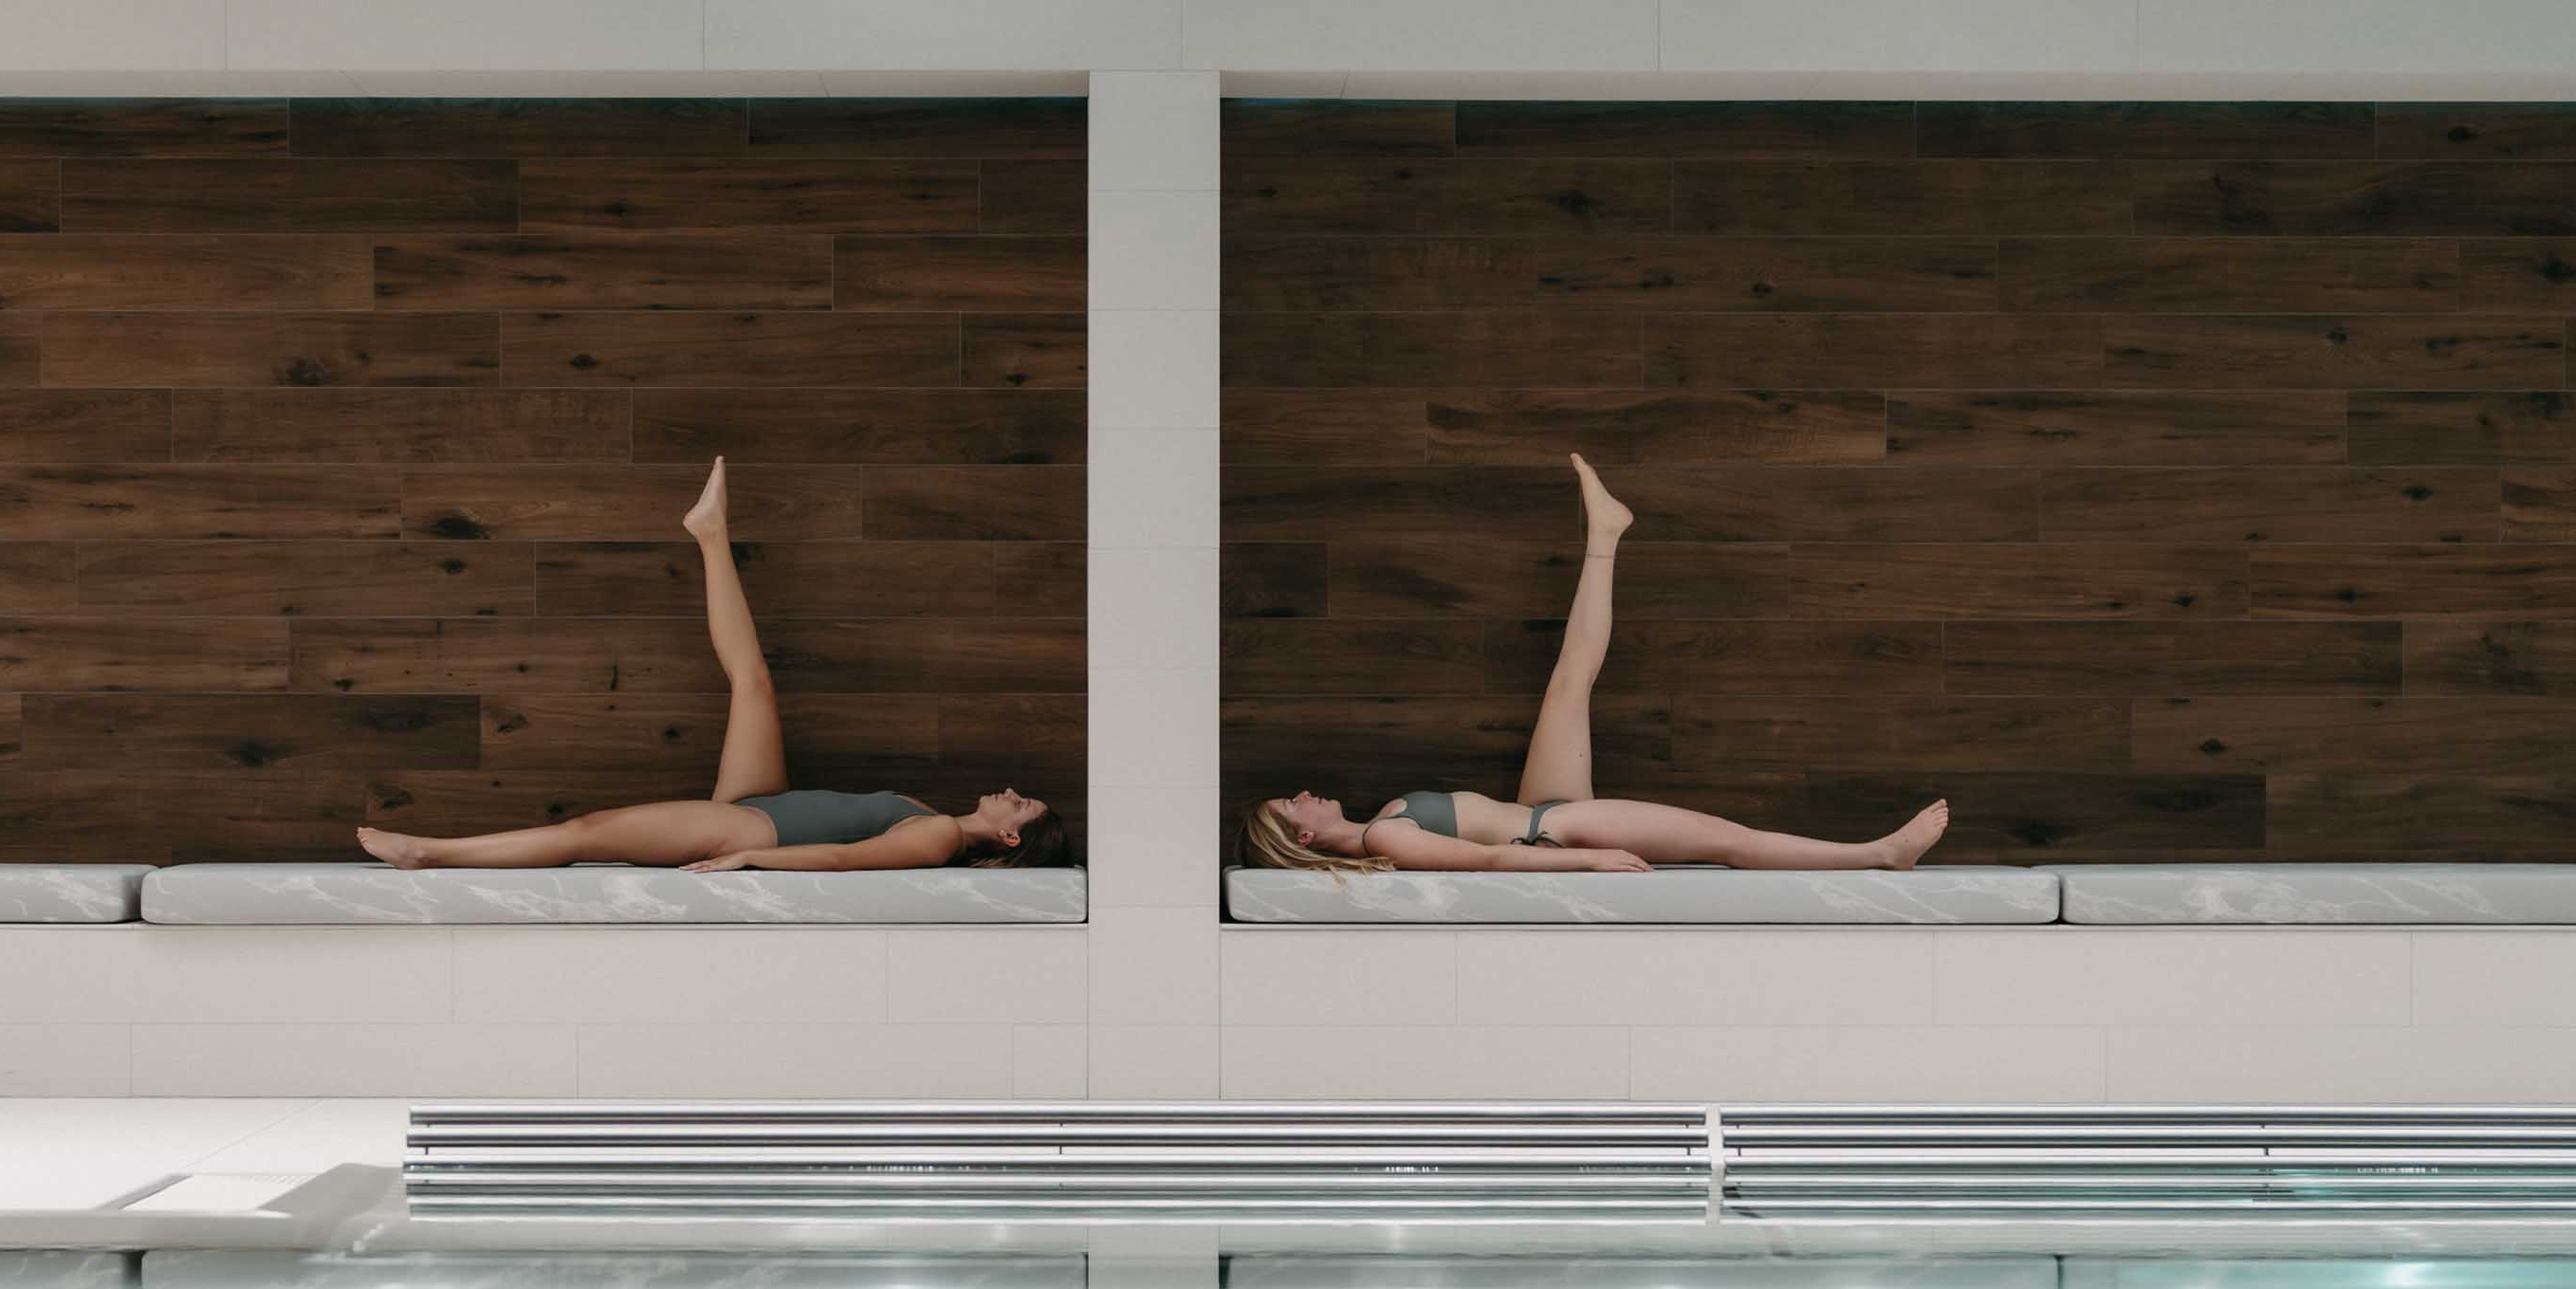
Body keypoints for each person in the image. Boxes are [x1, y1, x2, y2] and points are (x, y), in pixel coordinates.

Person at [1241, 454, 1948, 878]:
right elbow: (1492, 864)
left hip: (1541, 809)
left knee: (1570, 675)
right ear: (1302, 836)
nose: (1304, 793)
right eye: (1292, 803)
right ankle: (1879, 856)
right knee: (1729, 841)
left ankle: (1605, 534)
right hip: (1556, 831)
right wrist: (1586, 859)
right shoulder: (1383, 836)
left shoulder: (1381, 827)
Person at [359, 458, 1067, 875]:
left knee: (588, 831)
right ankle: (710, 534)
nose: (1012, 792)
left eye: (1022, 804)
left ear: (1009, 837)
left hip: (751, 832)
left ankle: (433, 852)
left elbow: (847, 863)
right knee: (752, 676)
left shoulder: (943, 835)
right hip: (765, 805)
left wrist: (752, 860)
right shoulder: (936, 818)